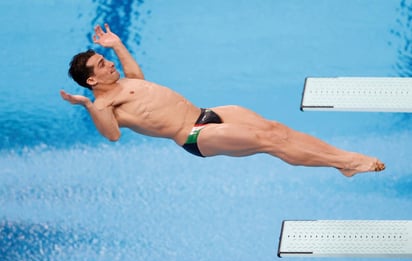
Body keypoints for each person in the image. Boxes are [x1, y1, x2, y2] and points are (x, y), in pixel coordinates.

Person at [61, 24, 385, 177]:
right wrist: (87, 105)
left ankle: (344, 159)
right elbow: (112, 134)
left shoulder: (124, 84)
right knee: (268, 140)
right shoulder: (104, 105)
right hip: (194, 135)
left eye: (107, 59)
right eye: (102, 65)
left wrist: (116, 44)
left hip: (208, 113)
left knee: (277, 128)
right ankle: (345, 162)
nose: (110, 64)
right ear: (91, 81)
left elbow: (139, 80)